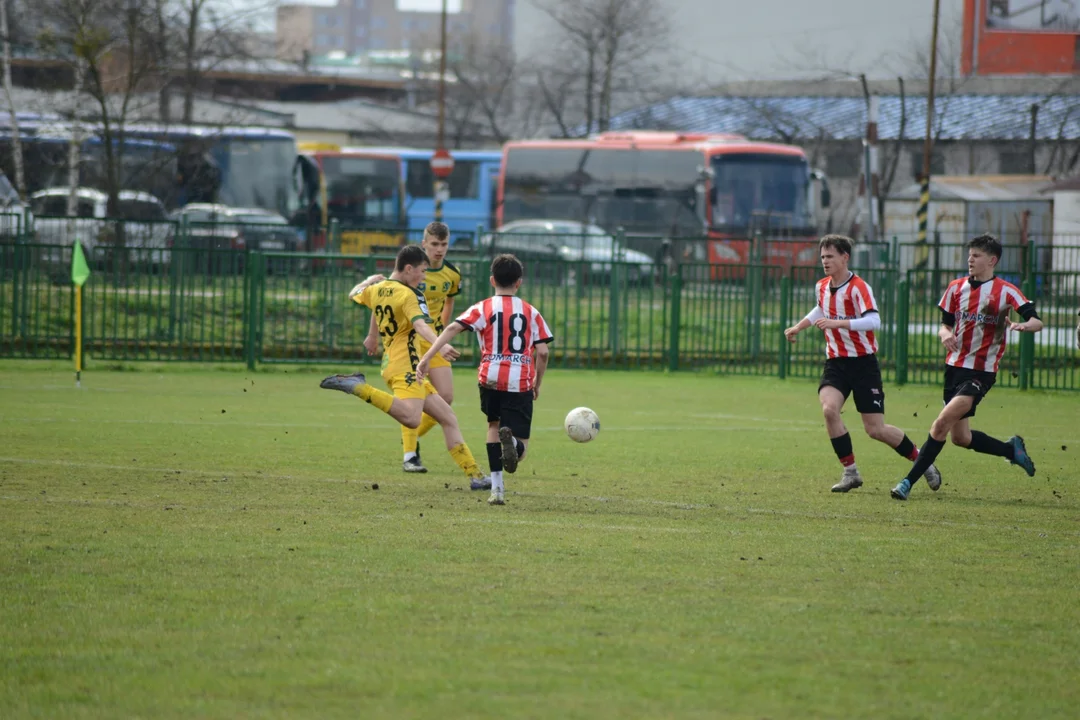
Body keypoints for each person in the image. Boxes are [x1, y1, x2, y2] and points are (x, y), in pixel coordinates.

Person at [320, 244, 487, 488]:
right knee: (411, 418)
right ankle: (358, 387)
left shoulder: (377, 288)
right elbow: (421, 327)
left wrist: (368, 279)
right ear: (408, 269)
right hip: (405, 366)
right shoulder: (410, 295)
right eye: (421, 271)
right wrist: (440, 346)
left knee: (448, 417)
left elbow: (353, 293)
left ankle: (475, 477)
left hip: (394, 363)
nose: (423, 277)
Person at [891, 234, 1043, 500]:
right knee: (960, 438)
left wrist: (1023, 325)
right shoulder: (955, 288)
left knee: (940, 424)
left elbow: (1036, 321)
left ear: (992, 260)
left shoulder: (1005, 291)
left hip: (980, 373)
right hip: (953, 369)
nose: (970, 260)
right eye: (969, 254)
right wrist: (944, 334)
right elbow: (945, 324)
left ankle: (906, 483)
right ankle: (1011, 450)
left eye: (976, 255)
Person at [785, 234, 940, 493]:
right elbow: (821, 309)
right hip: (836, 363)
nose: (825, 261)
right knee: (829, 410)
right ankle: (850, 472)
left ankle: (923, 462)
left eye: (830, 256)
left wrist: (839, 323)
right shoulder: (821, 286)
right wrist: (799, 327)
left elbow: (874, 321)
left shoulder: (859, 287)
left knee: (875, 429)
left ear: (845, 257)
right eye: (822, 256)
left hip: (863, 365)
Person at [416, 254, 553, 506]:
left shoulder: (483, 307)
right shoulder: (531, 312)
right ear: (519, 283)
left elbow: (452, 328)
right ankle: (511, 442)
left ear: (492, 280)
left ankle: (497, 490)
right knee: (520, 451)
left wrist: (426, 357)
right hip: (519, 379)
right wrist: (538, 382)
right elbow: (543, 352)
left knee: (493, 426)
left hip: (489, 377)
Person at [364, 222, 470, 480]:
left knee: (445, 397)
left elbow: (449, 302)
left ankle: (411, 436)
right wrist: (372, 334)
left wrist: (442, 333)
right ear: (424, 245)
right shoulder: (409, 271)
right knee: (415, 396)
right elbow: (382, 300)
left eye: (444, 245)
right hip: (411, 340)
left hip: (432, 338)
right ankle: (410, 454)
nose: (439, 250)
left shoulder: (452, 274)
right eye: (434, 244)